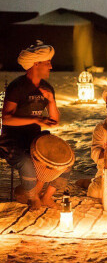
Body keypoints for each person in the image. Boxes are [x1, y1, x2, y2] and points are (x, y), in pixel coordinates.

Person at [0, 41, 70, 210]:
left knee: (64, 160)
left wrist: (51, 101)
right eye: (47, 63)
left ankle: (46, 196)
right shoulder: (17, 87)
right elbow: (6, 119)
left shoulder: (47, 88)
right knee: (26, 162)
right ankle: (32, 198)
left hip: (34, 139)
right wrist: (36, 120)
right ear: (35, 64)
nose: (51, 67)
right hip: (12, 139)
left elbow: (55, 120)